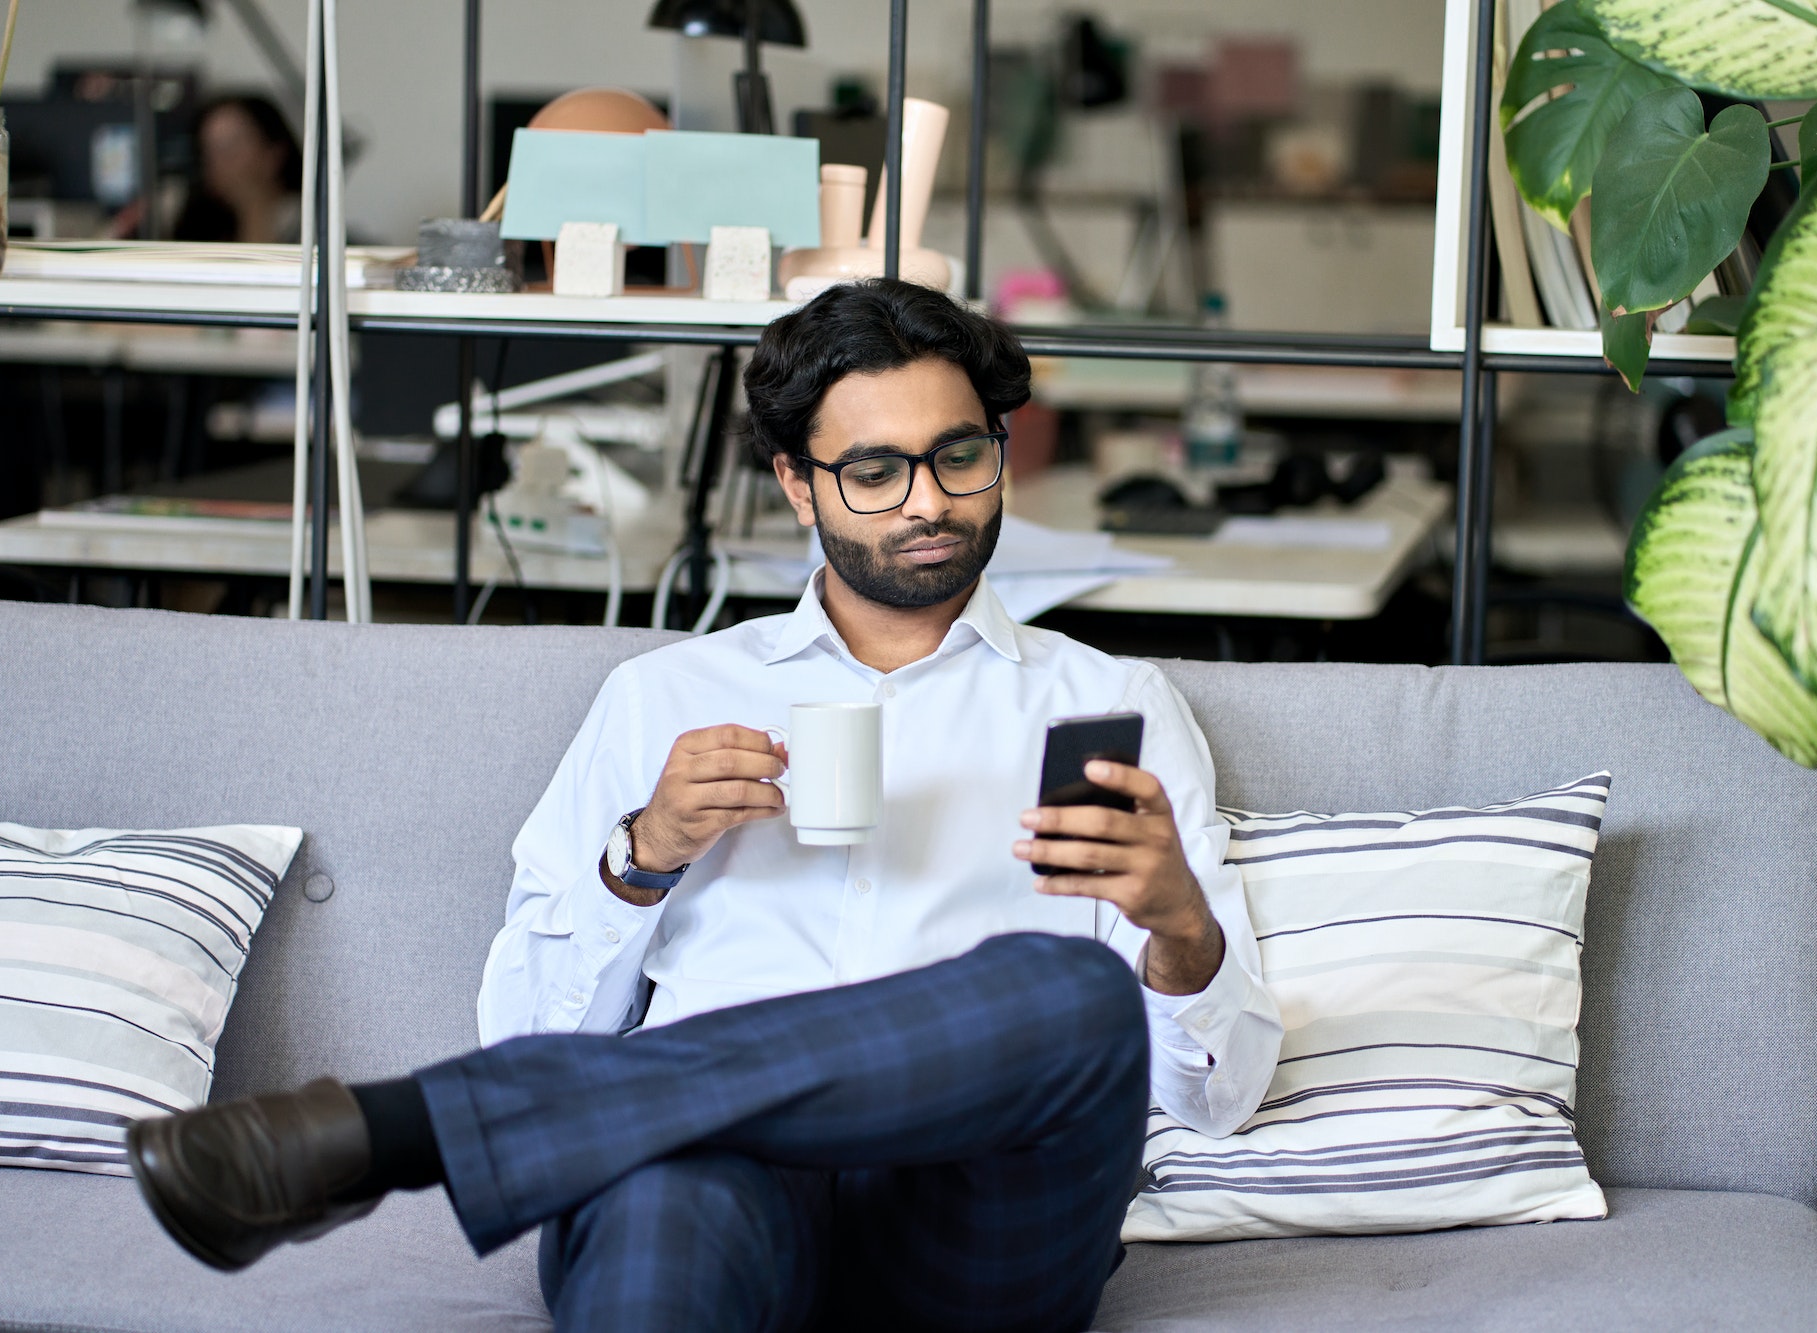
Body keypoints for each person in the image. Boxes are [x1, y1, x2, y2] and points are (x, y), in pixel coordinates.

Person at [124, 279, 1283, 1333]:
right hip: (703, 1182)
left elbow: (1216, 1098)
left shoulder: (1108, 702)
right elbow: (526, 1036)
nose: (926, 501)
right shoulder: (665, 698)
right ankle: (457, 1128)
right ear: (795, 482)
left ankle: (399, 1131)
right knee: (670, 1182)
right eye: (874, 470)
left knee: (1068, 991)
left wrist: (1180, 930)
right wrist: (642, 854)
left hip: (971, 1218)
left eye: (957, 457)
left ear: (998, 450)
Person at [170, 94, 301, 243]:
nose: (218, 163)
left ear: (274, 153)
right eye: (209, 151)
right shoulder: (199, 221)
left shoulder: (305, 219)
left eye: (230, 147)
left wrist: (254, 208)